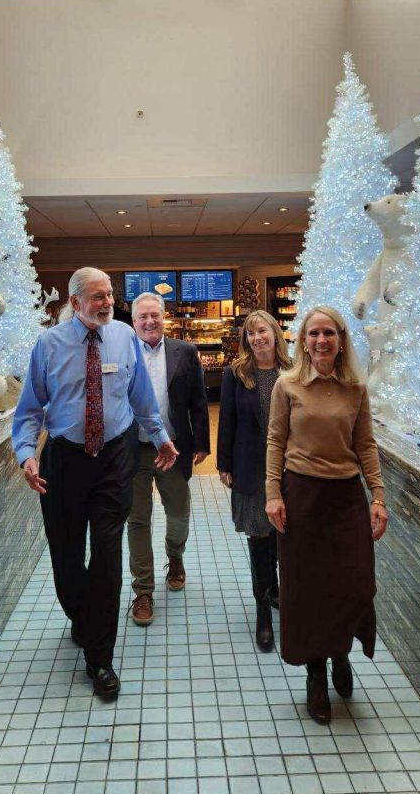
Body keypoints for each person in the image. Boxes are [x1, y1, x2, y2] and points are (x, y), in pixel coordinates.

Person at [12, 268, 178, 699]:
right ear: (75, 300)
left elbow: (140, 393)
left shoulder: (123, 337)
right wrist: (27, 454)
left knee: (107, 552)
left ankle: (100, 657)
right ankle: (81, 615)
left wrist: (160, 436)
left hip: (113, 457)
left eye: (109, 295)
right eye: (97, 296)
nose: (107, 302)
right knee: (67, 554)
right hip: (64, 459)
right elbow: (30, 408)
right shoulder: (49, 345)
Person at [266, 305, 389, 725]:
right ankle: (316, 675)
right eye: (314, 333)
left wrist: (378, 496)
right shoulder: (288, 385)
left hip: (346, 499)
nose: (321, 341)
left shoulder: (356, 388)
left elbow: (367, 445)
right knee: (306, 588)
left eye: (329, 334)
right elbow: (276, 441)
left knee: (354, 584)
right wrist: (272, 494)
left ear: (341, 340)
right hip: (300, 496)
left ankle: (341, 650)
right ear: (303, 340)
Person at [128, 292, 210, 625]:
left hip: (174, 446)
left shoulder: (185, 352)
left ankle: (174, 557)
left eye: (155, 315)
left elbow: (198, 401)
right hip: (132, 449)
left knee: (178, 513)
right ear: (133, 322)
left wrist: (202, 442)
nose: (149, 321)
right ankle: (143, 590)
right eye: (143, 316)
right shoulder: (121, 352)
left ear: (165, 318)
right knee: (138, 520)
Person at [217, 310, 292, 651]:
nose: (257, 337)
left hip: (289, 468)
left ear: (275, 332)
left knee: (282, 532)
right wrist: (224, 463)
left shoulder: (292, 372)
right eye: (251, 333)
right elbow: (228, 420)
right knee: (259, 534)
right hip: (250, 466)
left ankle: (276, 590)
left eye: (262, 330)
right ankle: (263, 608)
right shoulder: (237, 373)